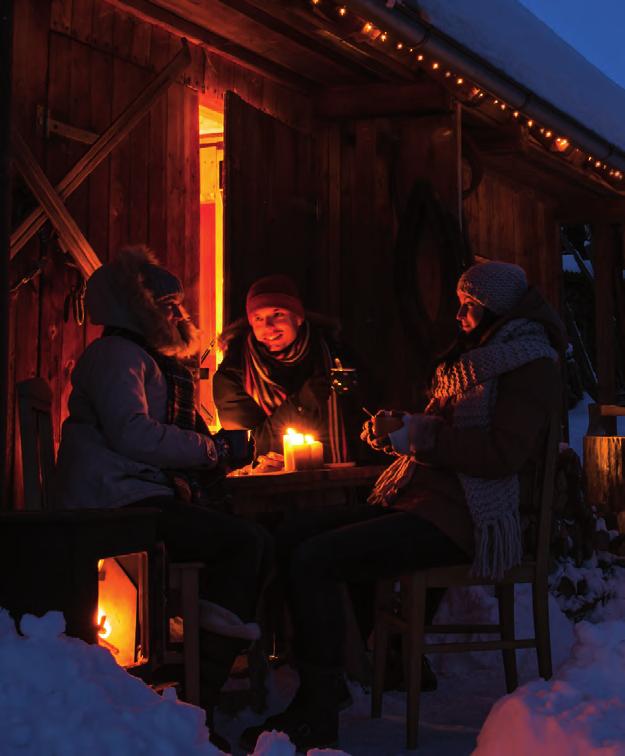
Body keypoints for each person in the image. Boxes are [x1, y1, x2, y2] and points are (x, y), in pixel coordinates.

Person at [239, 260, 566, 752]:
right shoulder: (483, 358)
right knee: (294, 532)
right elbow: (453, 433)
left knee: (316, 558)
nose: (458, 315)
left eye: (468, 306)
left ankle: (318, 706)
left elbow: (501, 455)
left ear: (494, 309)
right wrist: (406, 428)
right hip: (428, 502)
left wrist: (419, 439)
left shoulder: (528, 363)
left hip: (468, 518)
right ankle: (347, 667)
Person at [54, 245, 272, 752]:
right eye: (165, 304)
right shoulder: (117, 356)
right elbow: (133, 433)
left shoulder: (138, 358)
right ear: (136, 306)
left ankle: (198, 686)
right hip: (115, 503)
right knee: (243, 543)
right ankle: (199, 703)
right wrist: (211, 448)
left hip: (131, 493)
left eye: (178, 304)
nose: (177, 313)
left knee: (253, 538)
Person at [213, 274, 371, 468]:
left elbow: (363, 415)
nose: (268, 327)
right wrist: (301, 404)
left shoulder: (335, 355)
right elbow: (247, 446)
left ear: (298, 317)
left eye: (278, 314)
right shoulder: (234, 373)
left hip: (341, 478)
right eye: (258, 318)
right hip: (273, 484)